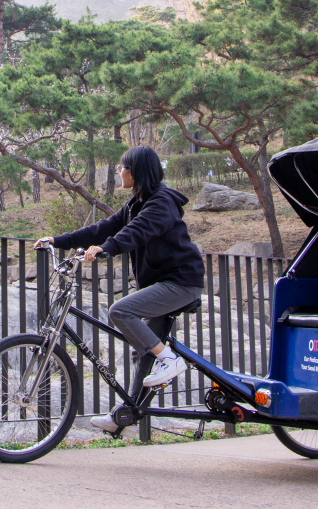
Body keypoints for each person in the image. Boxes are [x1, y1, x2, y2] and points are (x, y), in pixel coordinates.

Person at [36, 145, 205, 433]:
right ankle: (124, 417)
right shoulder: (135, 204)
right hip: (164, 283)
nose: (119, 171)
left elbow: (137, 231)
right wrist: (58, 240)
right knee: (146, 352)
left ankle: (170, 360)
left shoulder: (161, 202)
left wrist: (106, 248)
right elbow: (102, 228)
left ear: (135, 171)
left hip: (181, 282)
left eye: (122, 166)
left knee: (120, 311)